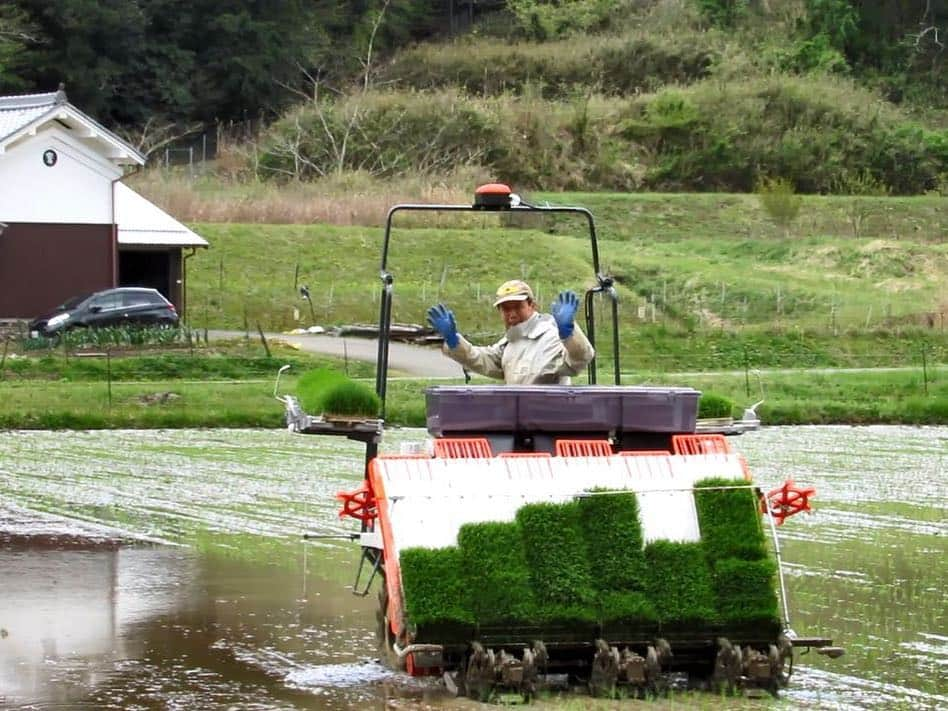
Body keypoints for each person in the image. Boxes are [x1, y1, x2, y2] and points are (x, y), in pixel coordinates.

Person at [426, 279, 595, 385]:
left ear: (532, 306)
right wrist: (454, 341)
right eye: (506, 309)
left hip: (550, 422)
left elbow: (580, 358)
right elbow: (482, 360)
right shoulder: (510, 342)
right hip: (517, 421)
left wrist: (569, 333)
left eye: (517, 307)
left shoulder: (550, 336)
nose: (512, 314)